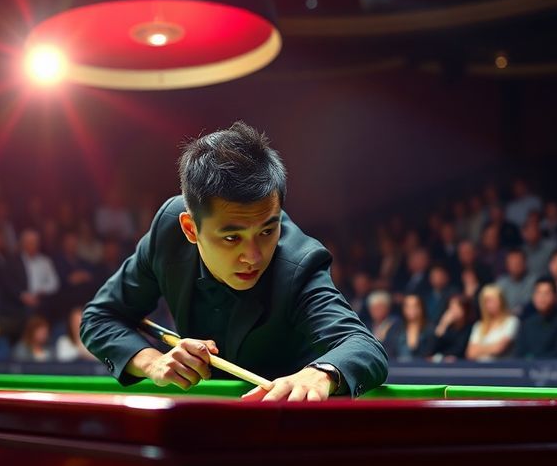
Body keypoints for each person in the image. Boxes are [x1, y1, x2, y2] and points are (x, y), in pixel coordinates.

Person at [81, 122, 388, 401]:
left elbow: (364, 346)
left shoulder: (299, 264)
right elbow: (100, 317)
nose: (253, 256)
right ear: (191, 228)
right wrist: (153, 361)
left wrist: (320, 374)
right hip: (202, 422)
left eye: (267, 230)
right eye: (232, 238)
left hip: (288, 427)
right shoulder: (169, 231)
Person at [514, 277, 557, 360]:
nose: (542, 297)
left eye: (547, 293)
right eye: (538, 293)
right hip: (526, 369)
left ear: (556, 297)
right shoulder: (527, 323)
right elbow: (519, 353)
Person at [465, 284, 519, 361]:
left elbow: (499, 348)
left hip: (501, 368)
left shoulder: (511, 321)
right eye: (487, 301)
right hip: (479, 369)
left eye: (493, 300)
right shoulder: (479, 325)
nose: (490, 304)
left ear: (501, 301)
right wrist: (491, 347)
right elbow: (470, 353)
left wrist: (479, 348)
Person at [389, 294, 434, 362]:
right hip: (398, 369)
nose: (411, 309)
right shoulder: (396, 327)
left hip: (424, 369)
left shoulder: (430, 329)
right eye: (407, 306)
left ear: (421, 308)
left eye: (415, 306)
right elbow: (388, 350)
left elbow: (433, 352)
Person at [431, 294, 475, 361]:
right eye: (451, 308)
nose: (453, 311)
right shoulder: (447, 328)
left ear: (465, 309)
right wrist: (443, 325)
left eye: (456, 307)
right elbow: (431, 350)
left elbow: (460, 349)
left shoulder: (470, 328)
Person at [495, 248, 535, 316]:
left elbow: (530, 304)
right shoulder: (501, 282)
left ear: (525, 263)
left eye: (518, 263)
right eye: (512, 263)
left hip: (526, 318)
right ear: (507, 265)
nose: (515, 266)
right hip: (504, 319)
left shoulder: (533, 281)